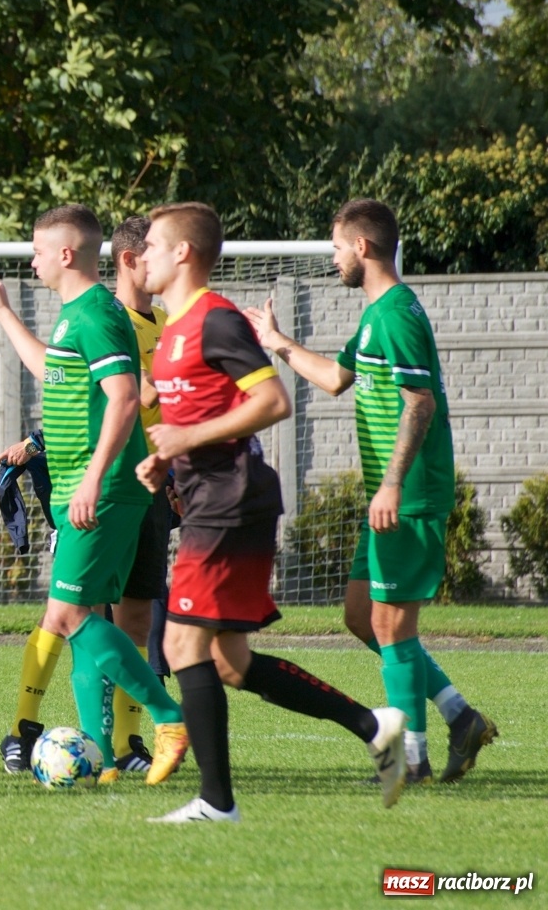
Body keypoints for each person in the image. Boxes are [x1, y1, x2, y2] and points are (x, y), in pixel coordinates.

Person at [135, 202, 408, 823]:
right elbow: (196, 419)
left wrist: (185, 442)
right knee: (229, 663)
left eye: (151, 245)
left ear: (183, 252)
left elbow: (273, 400)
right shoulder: (171, 330)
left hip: (231, 504)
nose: (141, 256)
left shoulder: (214, 319)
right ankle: (374, 725)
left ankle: (216, 802)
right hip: (209, 499)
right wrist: (164, 459)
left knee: (181, 646)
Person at [245, 198, 497, 784]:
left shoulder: (396, 315)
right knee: (362, 616)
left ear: (361, 247)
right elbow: (335, 379)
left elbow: (421, 402)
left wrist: (390, 483)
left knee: (391, 627)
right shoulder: (375, 315)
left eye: (336, 247)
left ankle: (412, 760)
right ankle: (461, 716)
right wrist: (278, 342)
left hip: (407, 495)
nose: (332, 258)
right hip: (389, 496)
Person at [0, 204, 187, 784]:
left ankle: (169, 715)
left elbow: (123, 398)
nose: (32, 260)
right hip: (77, 490)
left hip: (105, 490)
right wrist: (3, 314)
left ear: (65, 254)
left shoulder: (96, 314)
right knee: (84, 614)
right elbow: (51, 368)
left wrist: (92, 477)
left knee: (66, 617)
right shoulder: (74, 318)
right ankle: (105, 758)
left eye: (37, 251)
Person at [105, 215, 174, 773]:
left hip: (152, 488)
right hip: (107, 485)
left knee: (137, 619)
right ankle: (24, 730)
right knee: (74, 615)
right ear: (130, 260)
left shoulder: (168, 322)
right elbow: (135, 396)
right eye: (153, 254)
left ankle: (127, 743)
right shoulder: (106, 320)